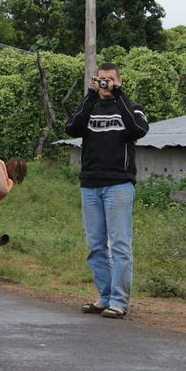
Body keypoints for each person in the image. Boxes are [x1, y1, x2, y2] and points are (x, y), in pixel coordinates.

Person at [65, 63, 149, 319]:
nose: (105, 84)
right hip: (90, 185)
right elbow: (72, 128)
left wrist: (120, 95)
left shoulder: (132, 108)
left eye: (110, 79)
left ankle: (119, 302)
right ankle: (104, 298)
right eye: (101, 79)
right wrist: (90, 96)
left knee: (120, 245)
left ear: (119, 81)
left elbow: (138, 129)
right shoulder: (90, 107)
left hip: (119, 185)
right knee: (96, 246)